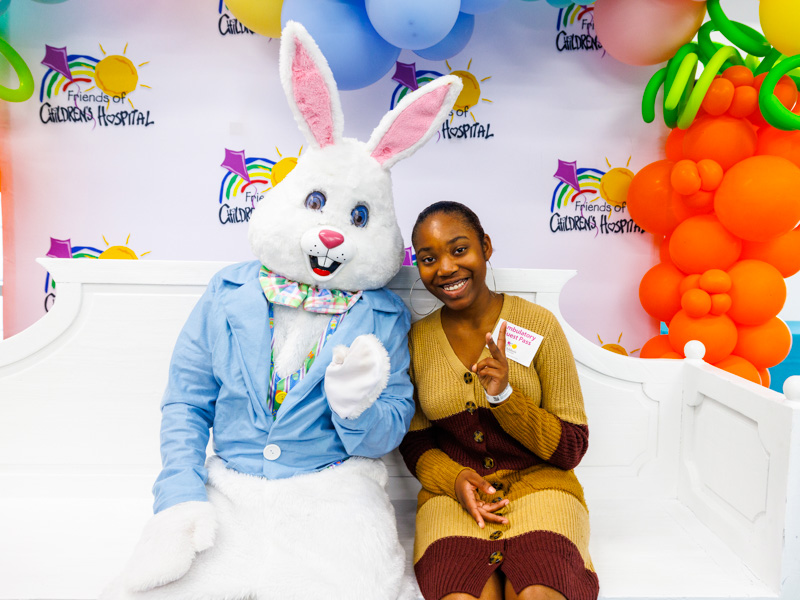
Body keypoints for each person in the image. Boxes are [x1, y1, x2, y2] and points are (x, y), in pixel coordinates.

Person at [399, 201, 598, 600]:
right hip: (453, 499)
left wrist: (506, 398)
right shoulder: (417, 341)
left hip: (542, 488)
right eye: (428, 258)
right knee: (462, 595)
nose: (445, 268)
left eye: (459, 250)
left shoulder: (538, 325)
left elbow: (572, 446)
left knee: (540, 592)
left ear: (485, 246)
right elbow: (416, 441)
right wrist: (455, 481)